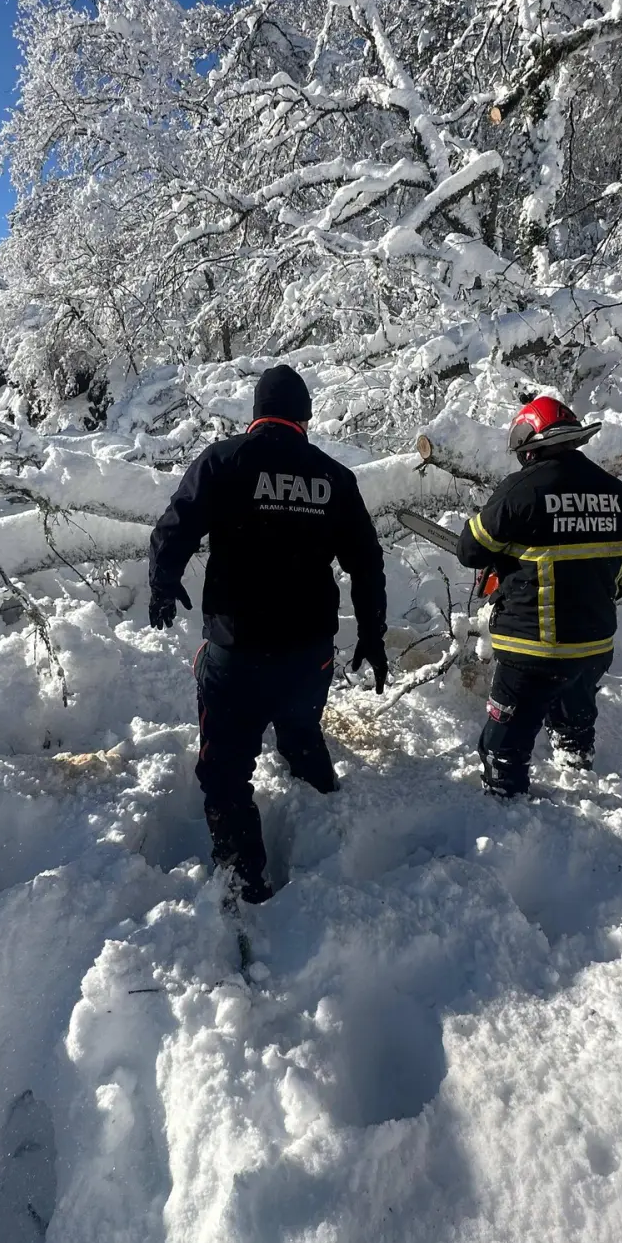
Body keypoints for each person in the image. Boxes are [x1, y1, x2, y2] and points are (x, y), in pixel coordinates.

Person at [148, 365, 387, 902]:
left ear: (257, 414)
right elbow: (367, 565)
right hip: (310, 657)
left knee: (225, 772)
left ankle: (242, 873)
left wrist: (163, 582)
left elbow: (174, 527)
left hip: (237, 654)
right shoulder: (334, 477)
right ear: (305, 417)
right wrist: (372, 633)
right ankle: (326, 819)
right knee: (301, 732)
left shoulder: (224, 460)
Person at [457, 395, 622, 797]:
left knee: (505, 742)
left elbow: (470, 550)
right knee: (574, 717)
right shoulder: (614, 492)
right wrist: (608, 590)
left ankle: (504, 809)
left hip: (533, 647)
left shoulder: (522, 488)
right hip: (592, 645)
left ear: (532, 439)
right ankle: (578, 771)